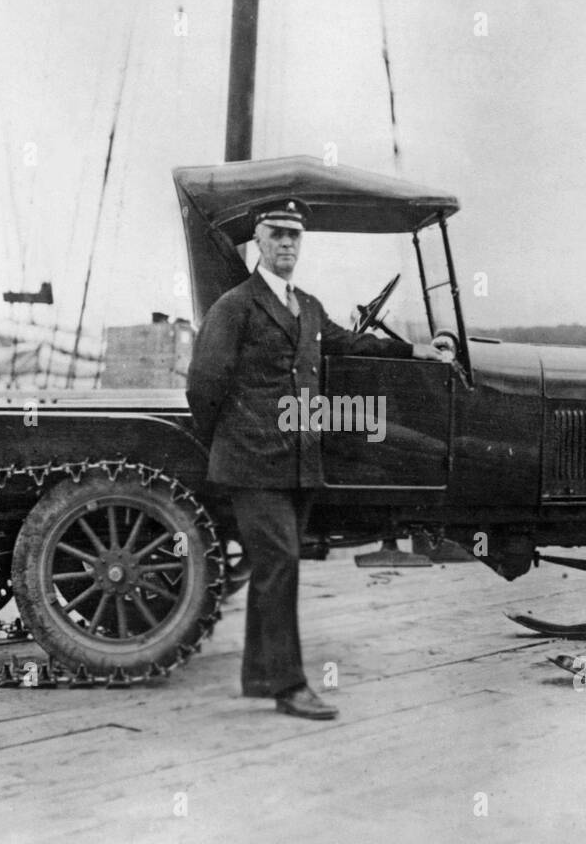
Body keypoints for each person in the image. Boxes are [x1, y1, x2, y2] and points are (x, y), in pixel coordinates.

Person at [187, 197, 453, 719]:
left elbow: (347, 343)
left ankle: (263, 676)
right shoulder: (235, 305)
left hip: (298, 462)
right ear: (258, 243)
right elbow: (204, 384)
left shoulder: (306, 305)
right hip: (251, 464)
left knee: (275, 568)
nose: (286, 244)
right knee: (280, 563)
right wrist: (227, 440)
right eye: (276, 235)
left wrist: (414, 352)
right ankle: (289, 686)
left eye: (294, 236)